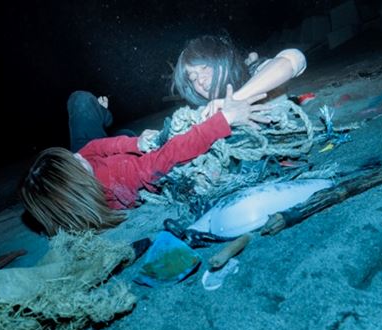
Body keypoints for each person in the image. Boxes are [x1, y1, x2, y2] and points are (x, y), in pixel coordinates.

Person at [20, 85, 270, 235]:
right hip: (119, 168)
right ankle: (113, 124)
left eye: (70, 156)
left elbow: (91, 149)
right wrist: (224, 119)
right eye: (74, 161)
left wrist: (134, 144)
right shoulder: (121, 177)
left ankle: (104, 115)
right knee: (126, 134)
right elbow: (168, 156)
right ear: (77, 184)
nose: (76, 155)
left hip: (101, 167)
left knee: (80, 100)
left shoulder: (77, 168)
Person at [172, 34, 307, 118]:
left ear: (223, 61)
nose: (201, 80)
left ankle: (249, 60)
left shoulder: (255, 74)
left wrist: (233, 101)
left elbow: (294, 58)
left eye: (205, 67)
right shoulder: (206, 113)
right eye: (193, 78)